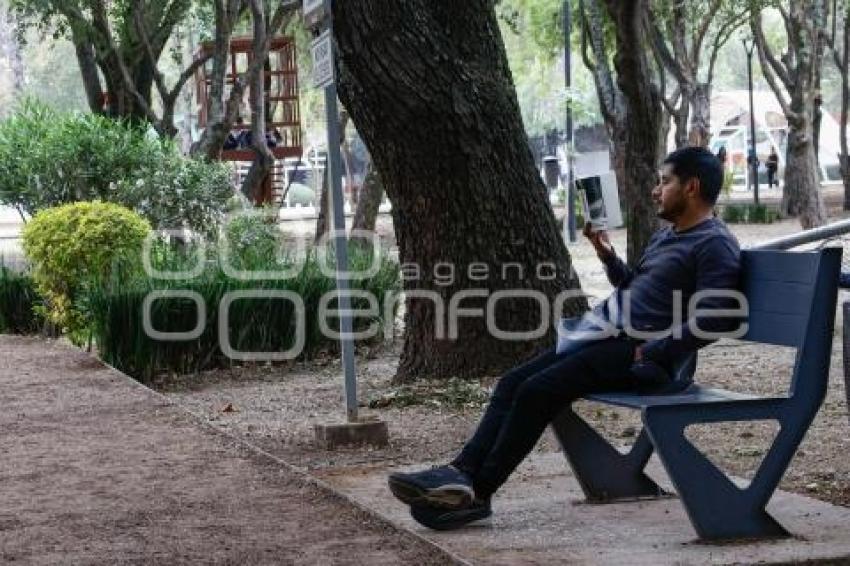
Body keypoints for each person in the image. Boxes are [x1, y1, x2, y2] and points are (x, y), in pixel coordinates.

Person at [387, 146, 742, 531]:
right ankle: (461, 474)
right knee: (512, 383)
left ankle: (478, 492)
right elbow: (637, 288)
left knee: (538, 391)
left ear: (691, 187)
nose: (656, 190)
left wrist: (652, 349)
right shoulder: (667, 236)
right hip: (608, 335)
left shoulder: (713, 243)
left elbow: (719, 316)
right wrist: (607, 256)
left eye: (665, 181)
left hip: (645, 358)